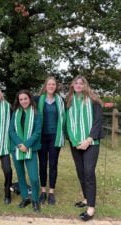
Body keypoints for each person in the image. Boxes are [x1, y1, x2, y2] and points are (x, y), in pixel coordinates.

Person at [66, 75, 103, 221]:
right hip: (75, 143)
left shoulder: (93, 101)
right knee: (81, 172)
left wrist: (88, 139)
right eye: (76, 83)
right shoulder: (68, 101)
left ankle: (91, 208)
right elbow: (67, 122)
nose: (78, 85)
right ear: (72, 85)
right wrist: (75, 141)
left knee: (89, 172)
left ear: (85, 85)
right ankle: (86, 198)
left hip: (91, 143)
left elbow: (98, 121)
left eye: (81, 83)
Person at [9, 90, 42, 212]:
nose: (23, 101)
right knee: (21, 175)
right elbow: (11, 130)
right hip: (16, 149)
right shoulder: (15, 113)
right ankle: (25, 197)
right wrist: (19, 144)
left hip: (30, 148)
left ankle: (35, 199)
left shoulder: (36, 113)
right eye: (21, 99)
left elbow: (37, 131)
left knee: (33, 177)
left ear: (30, 99)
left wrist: (26, 145)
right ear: (18, 101)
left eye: (25, 98)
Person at [35, 77, 65, 205]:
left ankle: (51, 192)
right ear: (45, 86)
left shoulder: (60, 101)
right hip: (41, 137)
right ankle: (43, 191)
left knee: (53, 164)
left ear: (56, 86)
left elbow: (65, 118)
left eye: (53, 84)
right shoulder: (38, 100)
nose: (51, 86)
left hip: (55, 136)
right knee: (42, 163)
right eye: (49, 84)